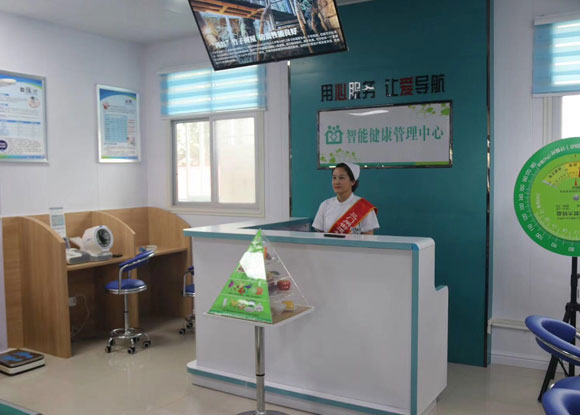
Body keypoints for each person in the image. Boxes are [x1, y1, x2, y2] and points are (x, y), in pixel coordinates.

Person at [312, 162, 379, 235]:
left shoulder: (364, 207)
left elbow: (368, 238)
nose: (336, 182)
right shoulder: (325, 205)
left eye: (341, 178)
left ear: (352, 182)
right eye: (334, 178)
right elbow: (319, 237)